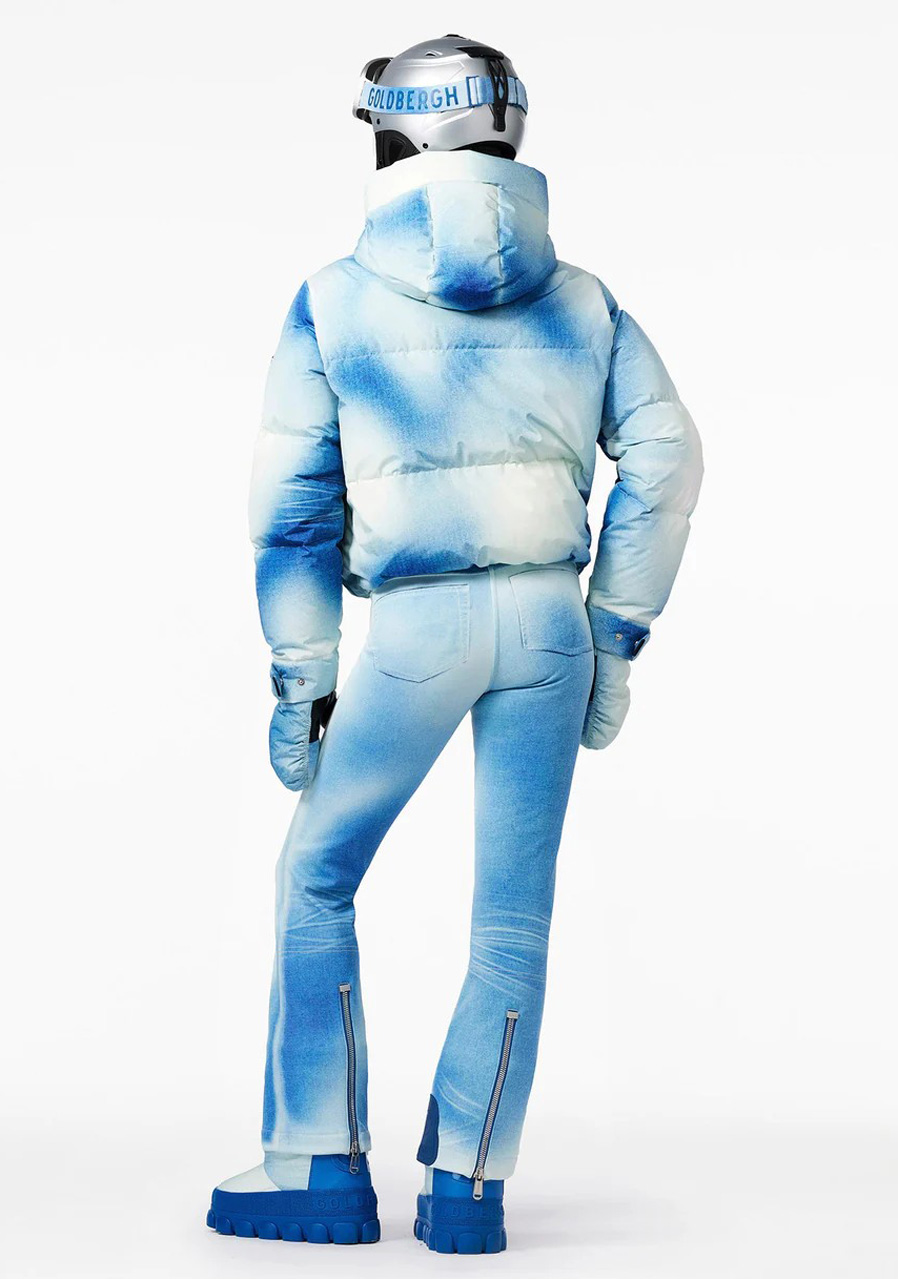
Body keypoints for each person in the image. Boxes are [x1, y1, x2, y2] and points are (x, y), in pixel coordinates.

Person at [207, 34, 703, 1254]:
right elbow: (667, 455)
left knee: (318, 873)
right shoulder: (584, 300)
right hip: (548, 625)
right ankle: (468, 1187)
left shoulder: (331, 299)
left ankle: (317, 1163)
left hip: (415, 627)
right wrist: (614, 633)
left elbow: (293, 511)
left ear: (398, 134)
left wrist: (302, 683)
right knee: (511, 923)